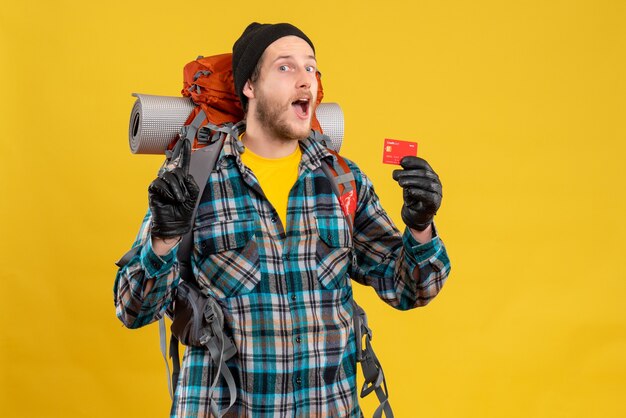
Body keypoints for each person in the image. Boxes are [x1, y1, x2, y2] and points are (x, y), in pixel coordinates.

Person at [114, 22, 451, 417]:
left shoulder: (342, 179)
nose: (305, 80)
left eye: (311, 67)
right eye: (286, 67)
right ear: (250, 86)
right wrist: (164, 241)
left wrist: (420, 227)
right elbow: (132, 309)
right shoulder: (194, 179)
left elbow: (412, 289)